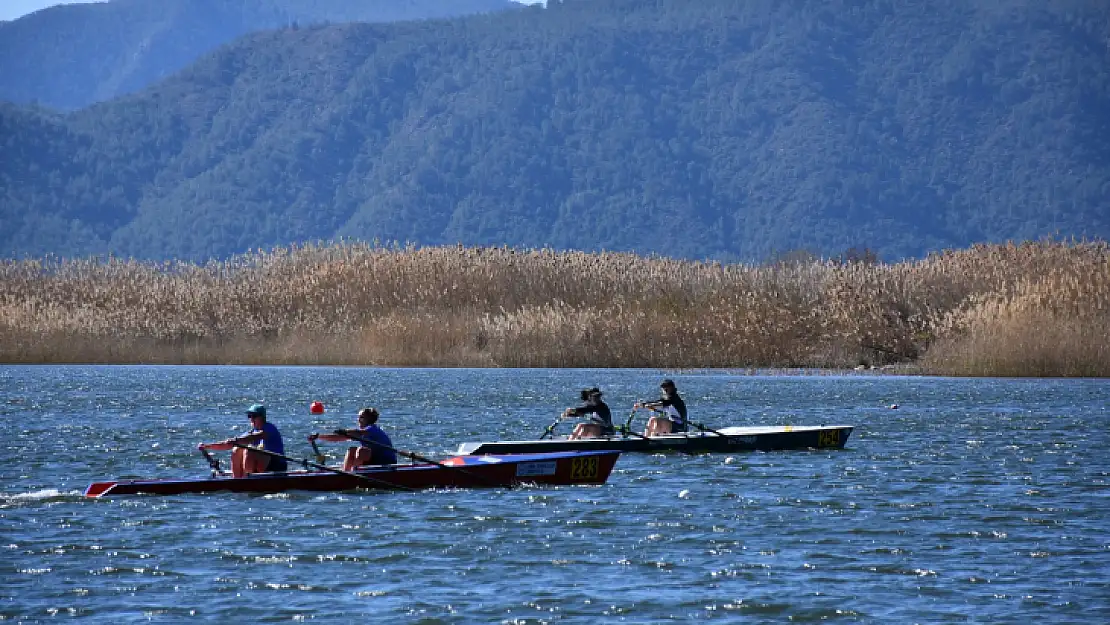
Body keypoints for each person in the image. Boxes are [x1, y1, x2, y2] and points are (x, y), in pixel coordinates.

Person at [198, 404, 286, 477]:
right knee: (236, 449)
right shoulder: (251, 432)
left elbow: (254, 437)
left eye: (254, 416)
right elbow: (228, 445)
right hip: (263, 466)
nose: (251, 419)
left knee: (249, 450)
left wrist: (235, 440)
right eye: (249, 416)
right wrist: (207, 446)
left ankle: (249, 480)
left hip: (277, 465)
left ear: (262, 417)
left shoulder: (270, 428)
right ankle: (238, 480)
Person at [309, 407, 397, 470]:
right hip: (375, 461)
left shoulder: (372, 429)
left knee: (362, 451)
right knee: (351, 450)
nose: (358, 420)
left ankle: (356, 473)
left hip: (386, 462)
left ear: (369, 419)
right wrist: (319, 436)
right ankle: (347, 472)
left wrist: (345, 431)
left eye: (361, 417)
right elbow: (338, 438)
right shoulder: (363, 432)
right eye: (358, 417)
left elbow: (358, 432)